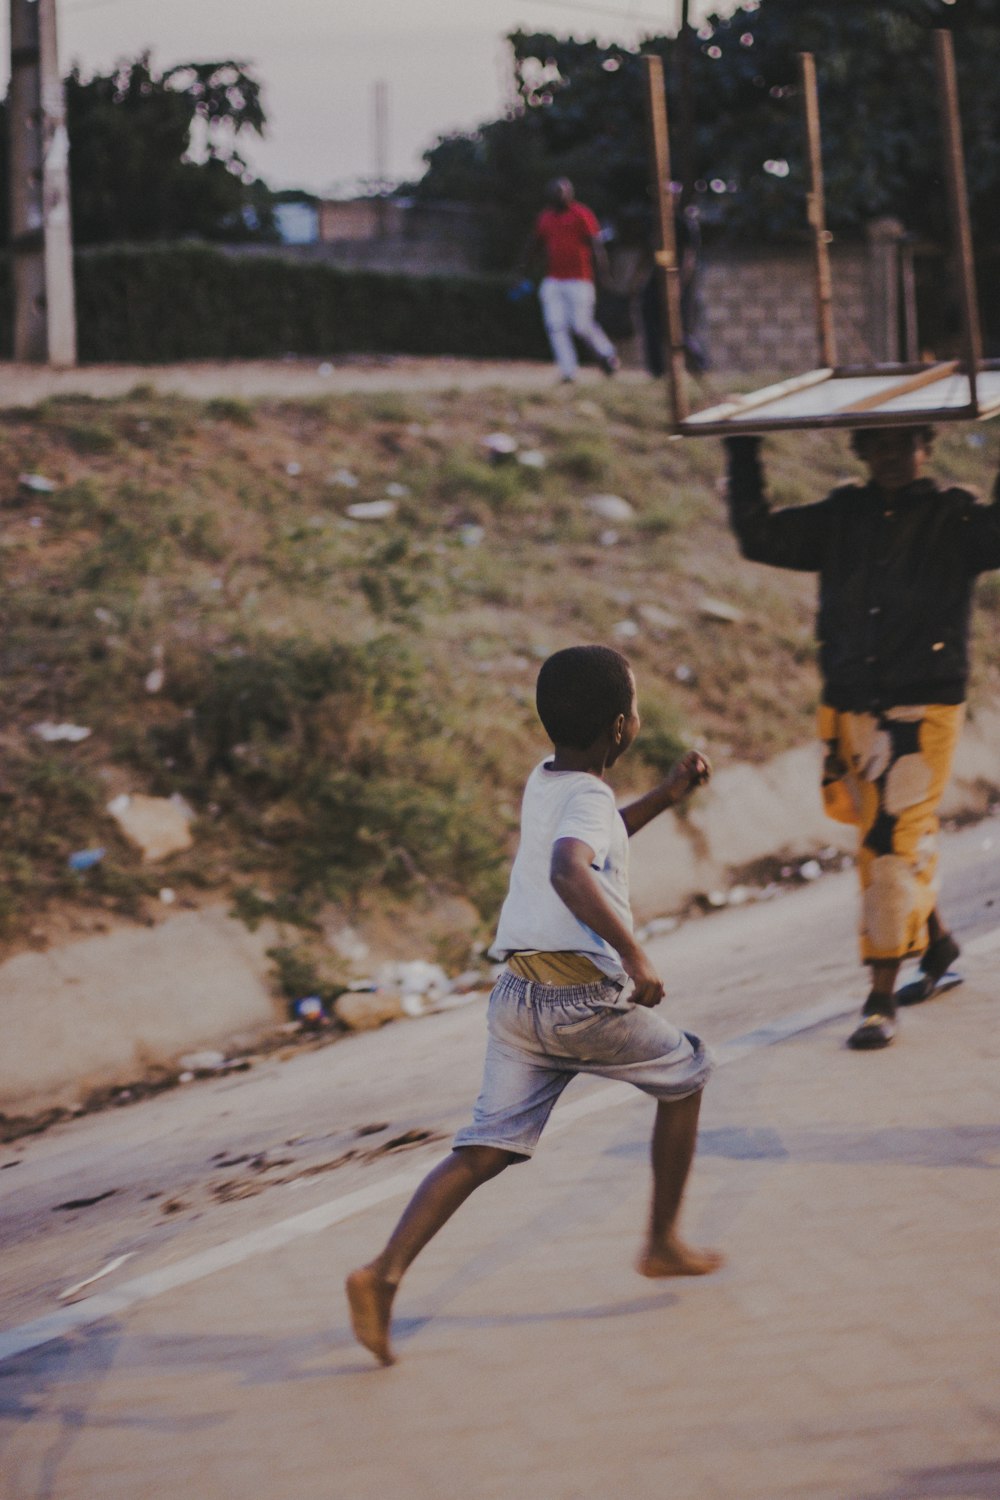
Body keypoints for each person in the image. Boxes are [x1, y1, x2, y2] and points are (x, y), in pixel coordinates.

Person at [346, 644, 721, 1366]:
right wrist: (637, 955)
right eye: (636, 707)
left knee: (485, 1147)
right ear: (620, 728)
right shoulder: (587, 799)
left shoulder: (549, 782)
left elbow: (595, 843)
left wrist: (669, 793)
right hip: (580, 1000)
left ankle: (382, 1272)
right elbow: (568, 868)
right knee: (689, 1075)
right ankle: (663, 1242)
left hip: (517, 997)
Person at [722, 425, 1000, 1050]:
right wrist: (742, 450)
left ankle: (879, 996)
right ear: (860, 452)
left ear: (926, 444)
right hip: (848, 702)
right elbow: (760, 535)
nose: (892, 455)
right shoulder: (841, 517)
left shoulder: (954, 517)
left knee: (890, 844)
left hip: (923, 705)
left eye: (904, 442)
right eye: (878, 444)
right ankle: (939, 945)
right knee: (879, 830)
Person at [516, 178, 620, 383]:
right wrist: (521, 271)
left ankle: (606, 353)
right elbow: (534, 245)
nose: (560, 195)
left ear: (570, 194)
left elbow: (596, 246)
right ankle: (568, 371)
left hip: (579, 280)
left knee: (581, 325)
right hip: (554, 280)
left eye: (563, 192)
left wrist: (603, 273)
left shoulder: (582, 214)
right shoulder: (545, 217)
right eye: (556, 192)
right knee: (555, 326)